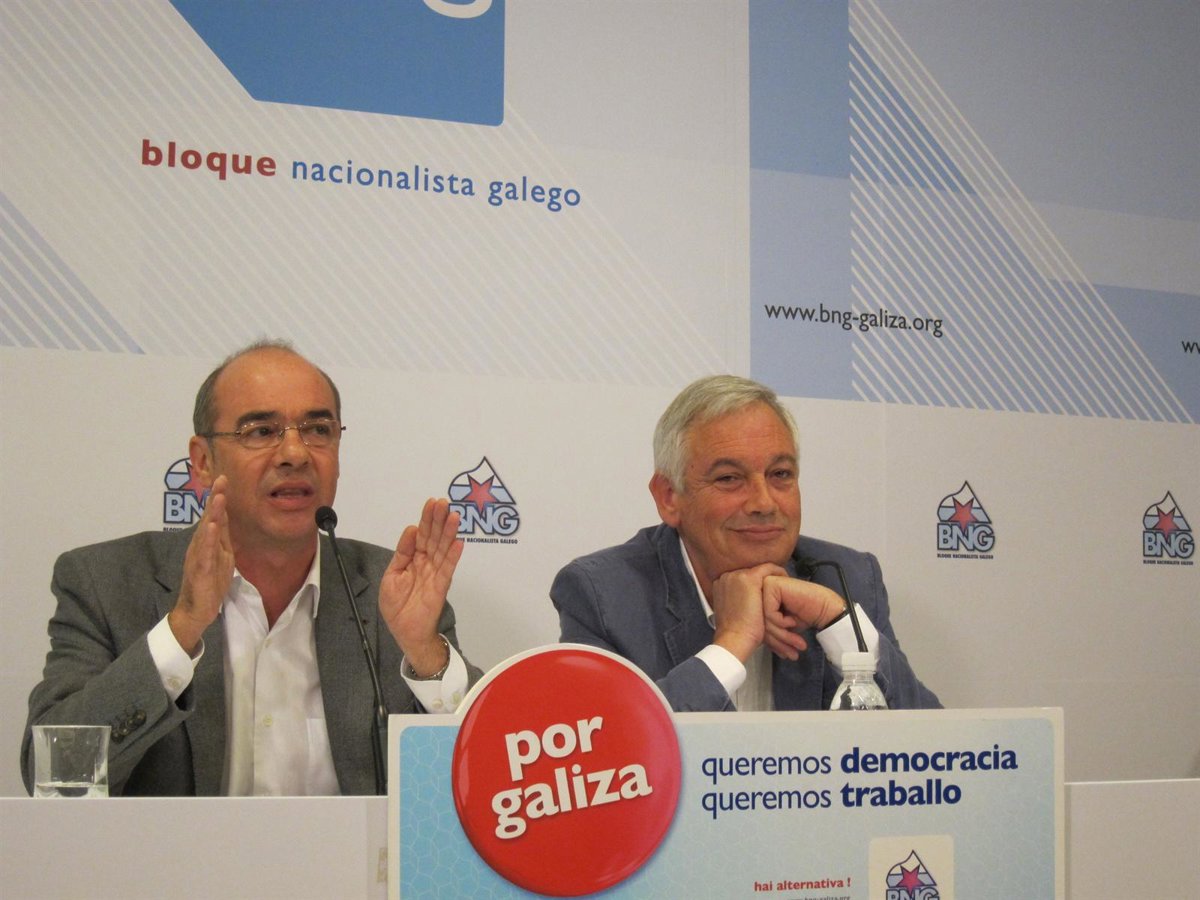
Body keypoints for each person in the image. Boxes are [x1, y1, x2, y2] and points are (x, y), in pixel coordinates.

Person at [21, 340, 481, 796]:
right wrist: (181, 629)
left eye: (318, 429)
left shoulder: (395, 588)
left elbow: (490, 771)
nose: (296, 453)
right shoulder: (105, 583)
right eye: (261, 431)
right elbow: (56, 774)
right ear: (203, 461)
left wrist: (426, 655)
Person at [552, 374, 939, 712]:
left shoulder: (845, 579)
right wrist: (731, 644)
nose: (764, 503)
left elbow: (934, 749)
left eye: (780, 474)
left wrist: (837, 621)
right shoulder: (603, 595)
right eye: (729, 479)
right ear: (669, 497)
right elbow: (610, 752)